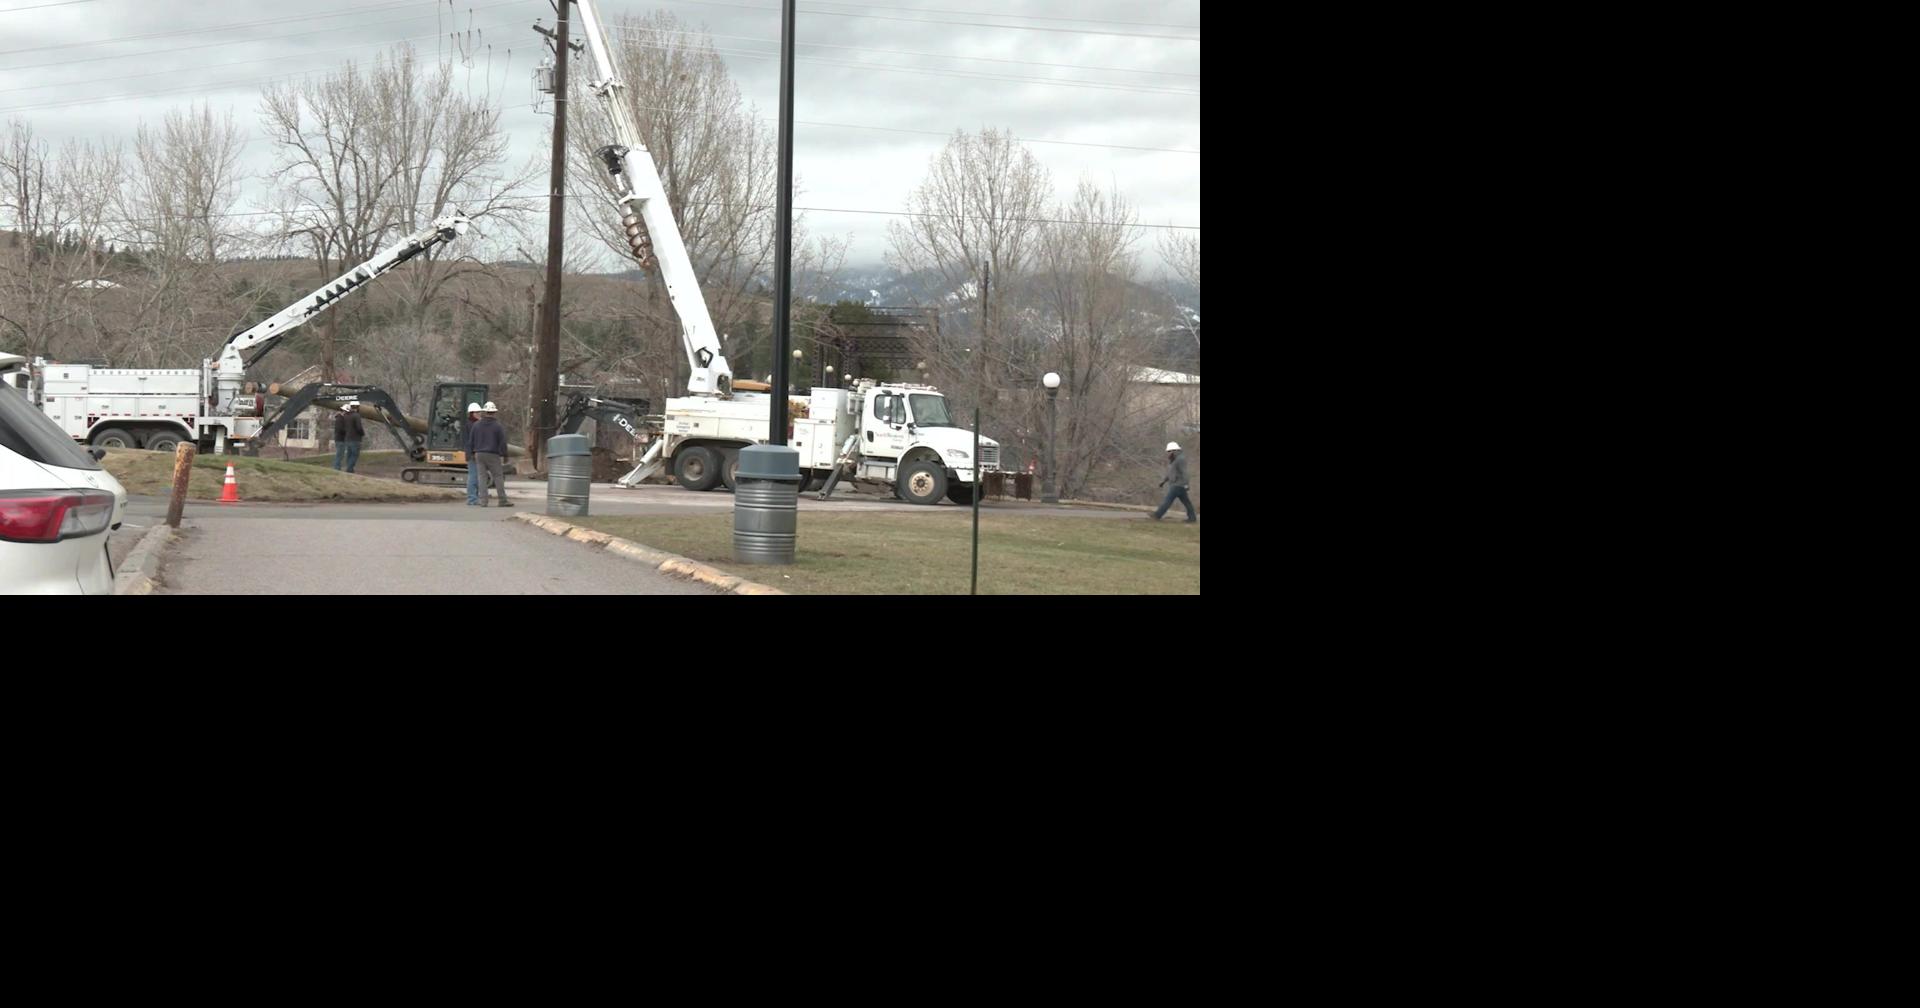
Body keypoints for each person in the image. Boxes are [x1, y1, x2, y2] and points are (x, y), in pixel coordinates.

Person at [470, 401, 511, 507]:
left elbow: (471, 441)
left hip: (479, 454)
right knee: (498, 476)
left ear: (484, 412)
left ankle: (483, 501)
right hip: (493, 454)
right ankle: (502, 500)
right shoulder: (498, 426)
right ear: (494, 412)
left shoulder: (476, 425)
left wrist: (472, 452)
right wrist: (504, 455)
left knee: (482, 477)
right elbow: (502, 442)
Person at [1151, 441, 1195, 522]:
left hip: (1178, 485)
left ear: (1174, 450)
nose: (1168, 453)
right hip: (1177, 485)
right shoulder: (1174, 460)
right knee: (1187, 503)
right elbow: (1171, 473)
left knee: (1168, 500)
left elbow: (1185, 473)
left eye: (1169, 451)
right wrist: (1163, 482)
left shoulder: (1181, 459)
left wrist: (1186, 484)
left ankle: (1157, 515)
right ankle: (1192, 518)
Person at [462, 402, 485, 506]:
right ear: (472, 413)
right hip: (473, 453)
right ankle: (472, 499)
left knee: (474, 476)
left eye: (479, 412)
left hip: (472, 453)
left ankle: (473, 498)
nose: (479, 413)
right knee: (473, 476)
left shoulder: (470, 424)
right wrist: (473, 452)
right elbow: (472, 441)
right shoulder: (473, 425)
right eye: (477, 412)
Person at [332, 405, 364, 472]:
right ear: (344, 411)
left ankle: (339, 467)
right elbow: (340, 429)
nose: (347, 413)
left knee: (343, 454)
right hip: (340, 439)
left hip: (342, 439)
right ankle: (337, 468)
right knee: (340, 454)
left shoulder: (340, 418)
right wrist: (348, 431)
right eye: (346, 412)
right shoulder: (340, 419)